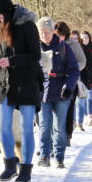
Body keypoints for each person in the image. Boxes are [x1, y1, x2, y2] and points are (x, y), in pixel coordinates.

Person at [0, 0, 42, 182]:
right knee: (4, 126)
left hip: (28, 83)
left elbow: (35, 56)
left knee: (26, 127)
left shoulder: (28, 26)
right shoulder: (2, 28)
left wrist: (12, 61)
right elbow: (1, 59)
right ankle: (10, 165)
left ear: (7, 12)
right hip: (6, 84)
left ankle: (26, 169)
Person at [36, 17, 78, 168]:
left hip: (61, 93)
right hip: (42, 93)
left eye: (46, 32)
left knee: (59, 127)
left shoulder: (63, 47)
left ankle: (59, 157)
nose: (44, 36)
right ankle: (44, 156)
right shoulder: (35, 48)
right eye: (41, 33)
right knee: (44, 126)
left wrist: (69, 88)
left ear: (53, 31)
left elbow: (74, 70)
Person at [56, 21, 85, 144]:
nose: (59, 38)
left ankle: (68, 135)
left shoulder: (74, 45)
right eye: (57, 35)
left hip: (71, 81)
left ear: (66, 35)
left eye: (61, 35)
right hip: (56, 81)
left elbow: (82, 60)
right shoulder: (51, 43)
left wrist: (73, 68)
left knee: (69, 108)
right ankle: (56, 136)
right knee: (57, 110)